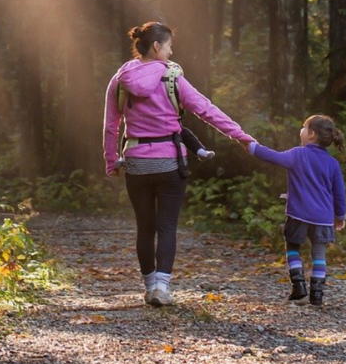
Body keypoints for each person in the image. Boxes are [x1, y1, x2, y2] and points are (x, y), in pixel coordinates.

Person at [103, 22, 253, 307]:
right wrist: (240, 136)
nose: (171, 52)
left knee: (144, 228)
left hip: (135, 162)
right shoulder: (172, 78)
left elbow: (111, 125)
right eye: (169, 46)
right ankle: (162, 287)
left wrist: (112, 160)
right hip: (170, 161)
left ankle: (149, 288)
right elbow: (206, 110)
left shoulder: (120, 79)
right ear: (157, 46)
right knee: (167, 226)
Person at [246, 115, 346, 306]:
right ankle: (317, 294)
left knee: (292, 247)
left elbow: (273, 156)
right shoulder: (333, 163)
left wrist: (252, 147)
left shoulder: (298, 154)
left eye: (303, 128)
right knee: (319, 254)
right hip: (323, 218)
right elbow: (339, 194)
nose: (300, 131)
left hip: (298, 214)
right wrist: (340, 216)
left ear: (311, 134)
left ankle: (298, 285)